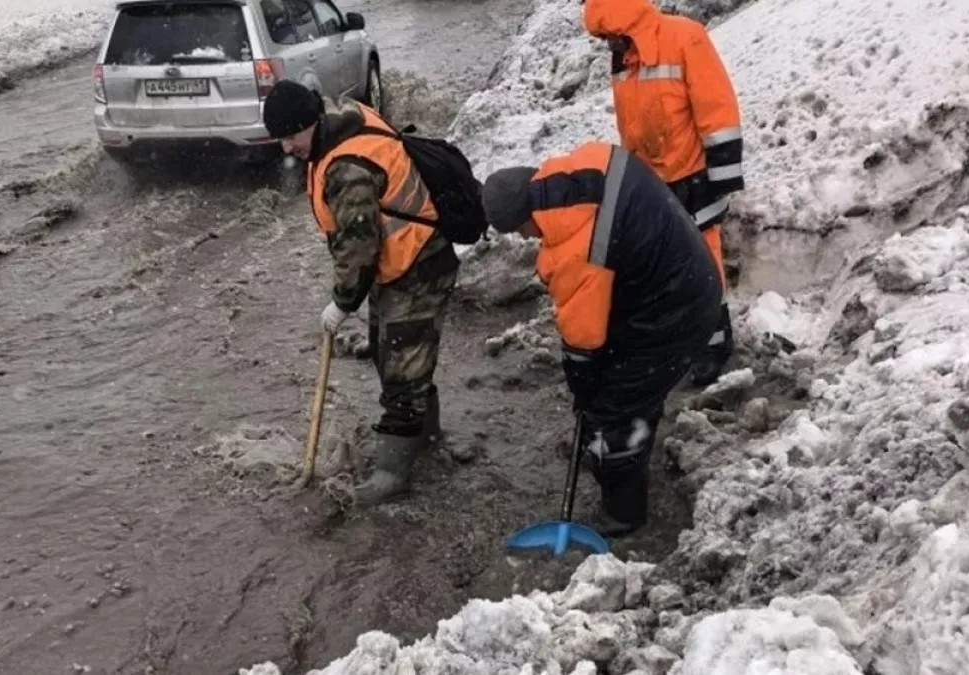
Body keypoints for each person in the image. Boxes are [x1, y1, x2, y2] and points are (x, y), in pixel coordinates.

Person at [481, 142, 721, 536]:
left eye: (522, 231)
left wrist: (586, 396)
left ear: (527, 217)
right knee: (626, 381)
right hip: (678, 275)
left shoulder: (576, 250)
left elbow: (583, 344)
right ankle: (632, 440)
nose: (527, 240)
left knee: (616, 408)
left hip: (675, 310)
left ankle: (623, 514)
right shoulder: (585, 167)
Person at [261, 80, 459, 505]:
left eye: (290, 137)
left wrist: (342, 302)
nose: (286, 149)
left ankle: (392, 474)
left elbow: (358, 245)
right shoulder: (337, 124)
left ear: (311, 123)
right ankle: (425, 436)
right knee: (392, 352)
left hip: (419, 265)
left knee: (403, 370)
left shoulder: (347, 168)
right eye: (280, 139)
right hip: (400, 266)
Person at [582, 0, 745, 386]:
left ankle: (713, 345)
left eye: (610, 37)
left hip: (693, 177)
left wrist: (719, 177)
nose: (608, 45)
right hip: (652, 183)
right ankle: (676, 339)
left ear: (627, 27)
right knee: (662, 269)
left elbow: (717, 108)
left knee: (703, 265)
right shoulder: (625, 56)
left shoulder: (685, 37)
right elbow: (632, 124)